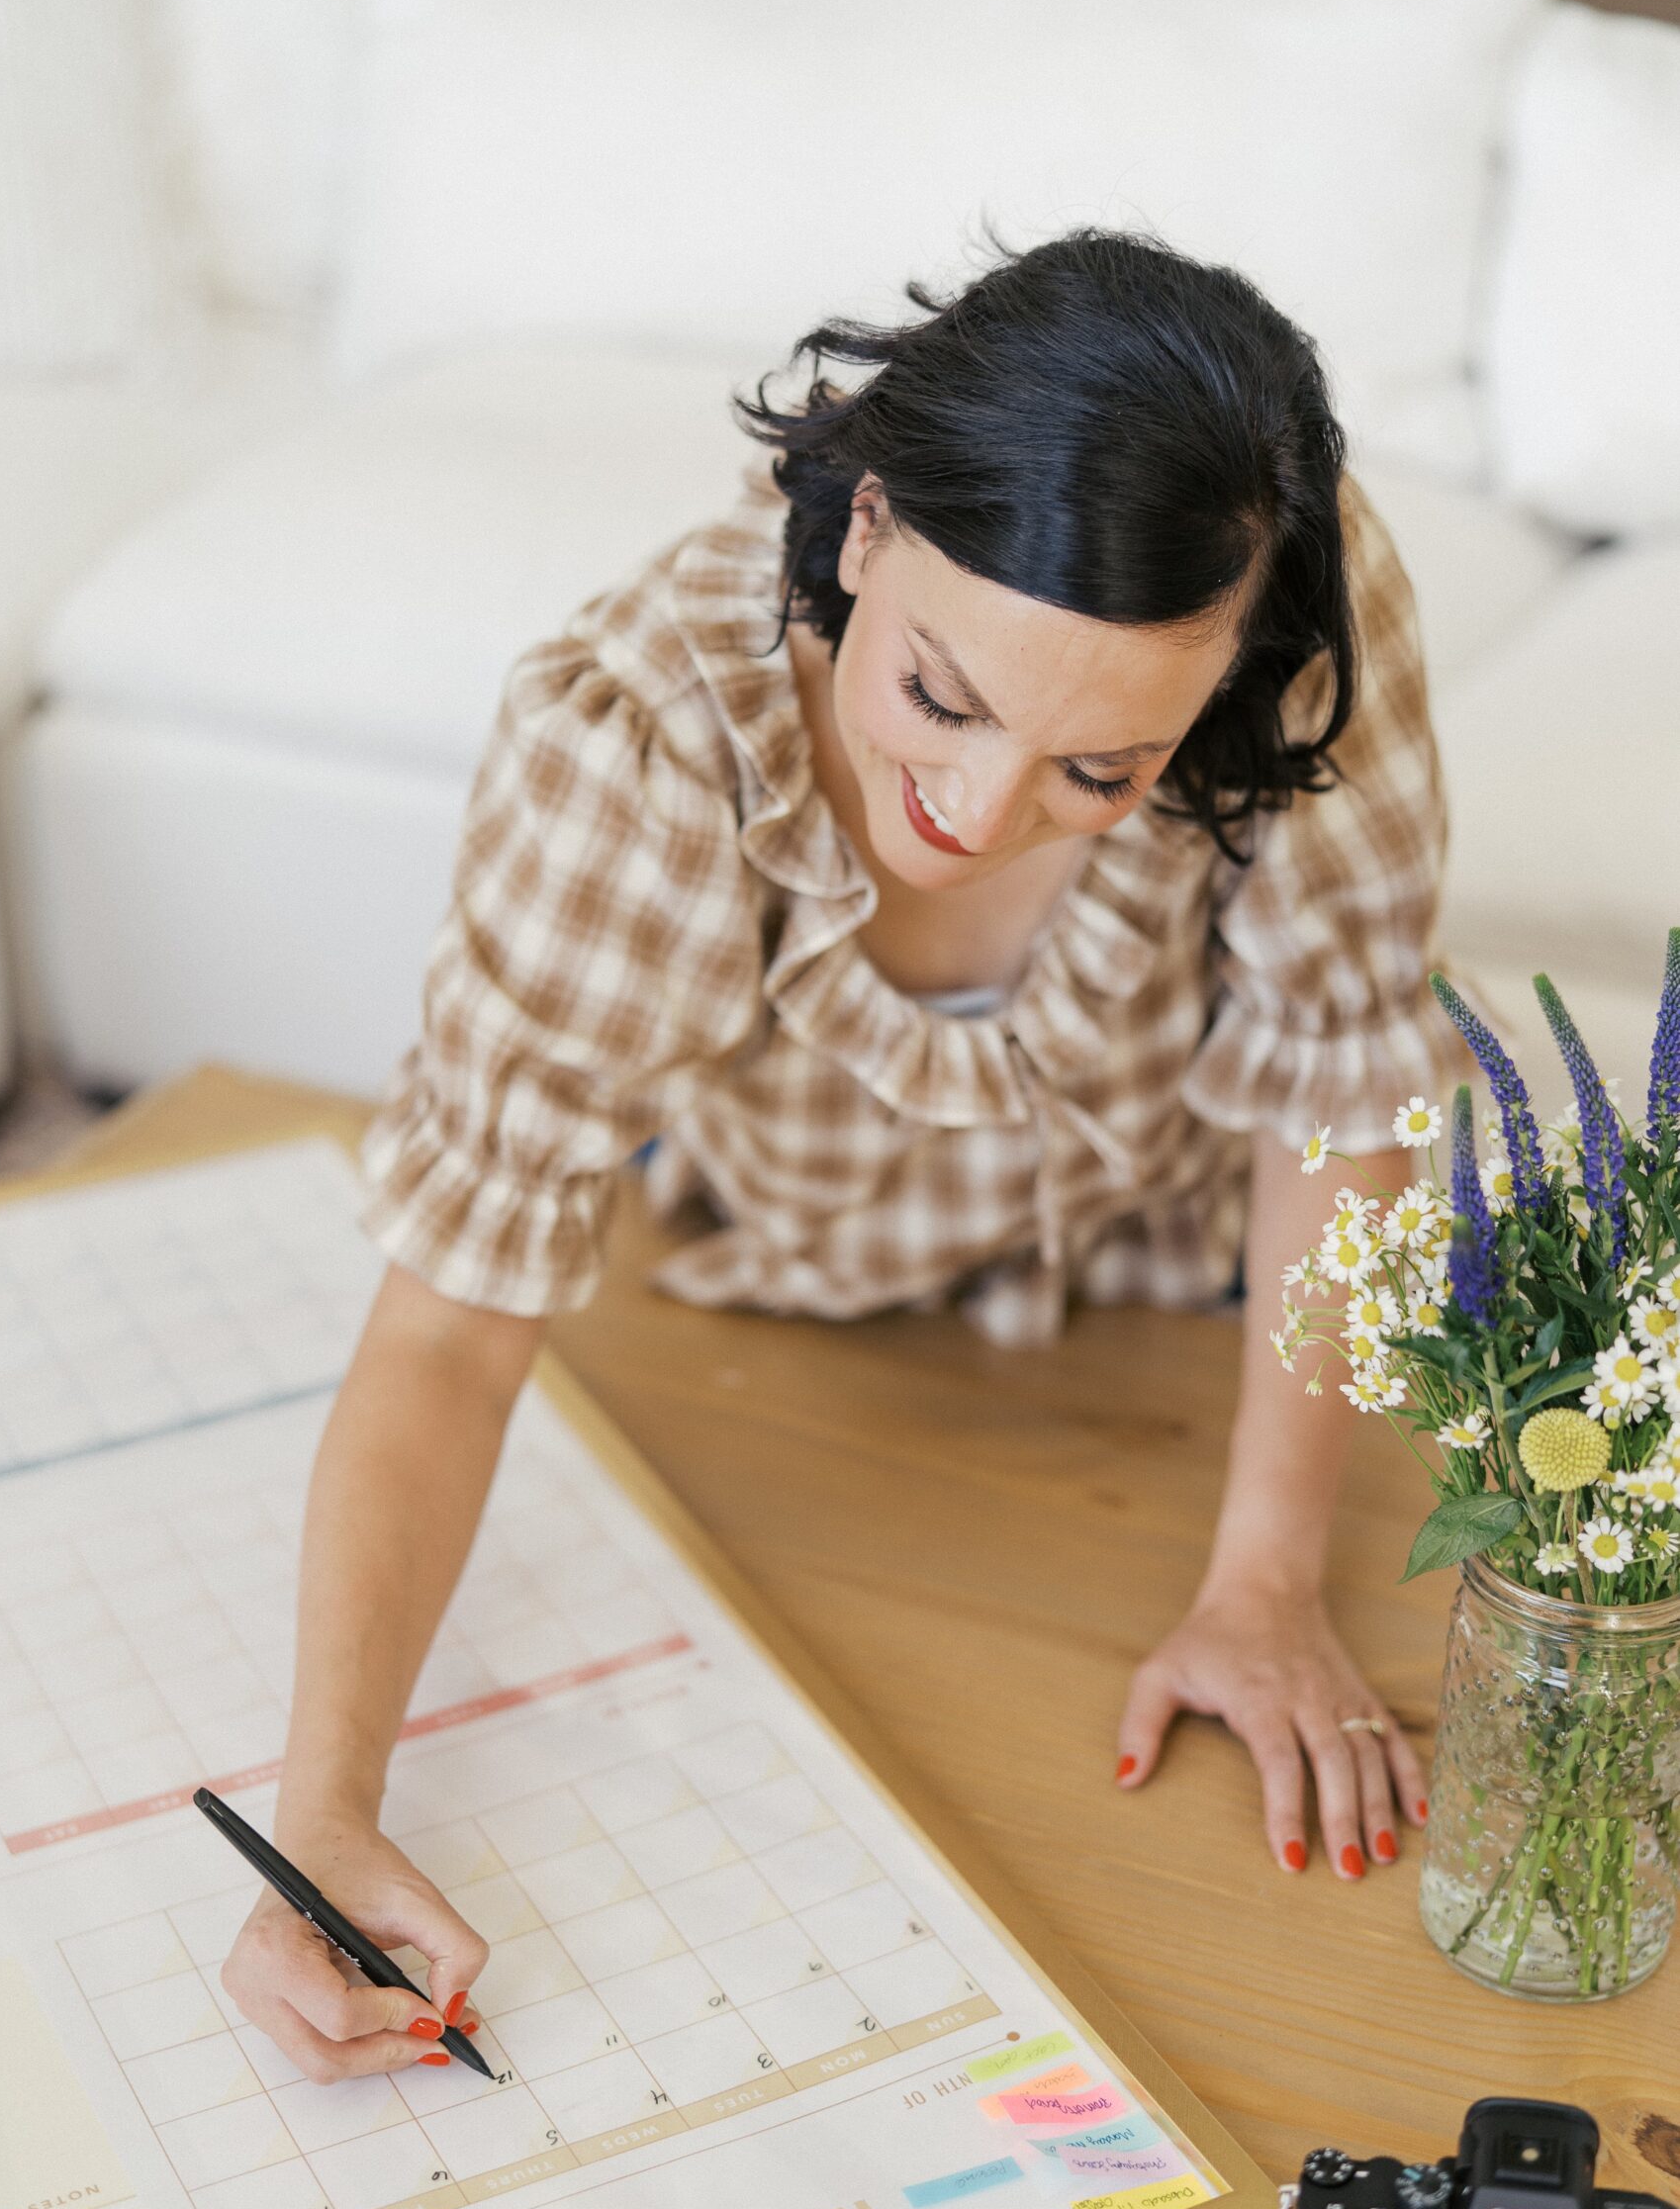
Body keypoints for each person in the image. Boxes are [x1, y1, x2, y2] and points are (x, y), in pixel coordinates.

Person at [222, 230, 1459, 2084]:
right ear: (867, 528)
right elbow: (450, 1331)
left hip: (1178, 1296)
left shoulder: (1283, 605)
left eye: (1100, 772)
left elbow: (1340, 1102)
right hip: (787, 1305)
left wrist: (1268, 1585)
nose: (972, 815)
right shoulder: (639, 741)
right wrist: (323, 1805)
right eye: (941, 703)